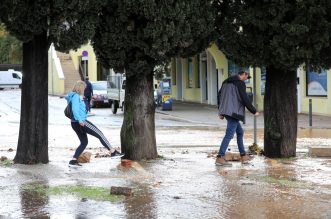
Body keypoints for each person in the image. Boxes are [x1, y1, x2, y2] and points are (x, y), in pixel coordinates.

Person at [65, 80, 124, 167]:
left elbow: (78, 108)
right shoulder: (76, 97)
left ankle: (73, 161)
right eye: (84, 88)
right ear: (80, 88)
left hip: (75, 123)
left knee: (84, 142)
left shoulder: (74, 96)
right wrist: (80, 120)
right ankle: (113, 152)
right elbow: (74, 110)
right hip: (81, 122)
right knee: (100, 134)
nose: (85, 89)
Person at [216, 71, 259, 166]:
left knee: (240, 132)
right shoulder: (240, 83)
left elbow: (219, 96)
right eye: (247, 77)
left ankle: (243, 156)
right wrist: (253, 111)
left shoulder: (225, 82)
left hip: (226, 111)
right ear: (244, 74)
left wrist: (221, 111)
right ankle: (220, 157)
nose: (246, 79)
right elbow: (244, 98)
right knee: (229, 135)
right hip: (234, 112)